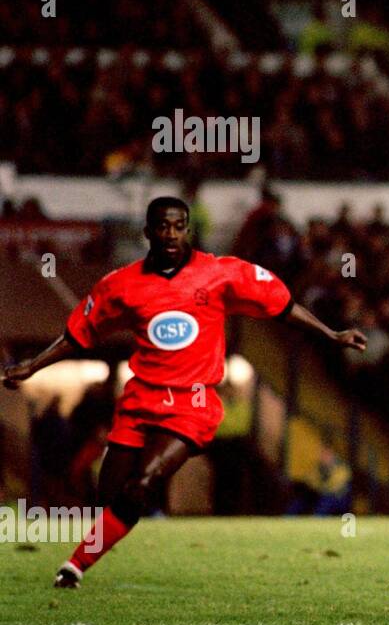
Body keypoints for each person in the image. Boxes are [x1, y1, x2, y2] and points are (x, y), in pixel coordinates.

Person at [1, 196, 366, 588]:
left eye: (178, 226)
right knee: (108, 495)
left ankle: (73, 567)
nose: (171, 234)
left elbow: (280, 305)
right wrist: (33, 365)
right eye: (162, 226)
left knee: (143, 484)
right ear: (148, 232)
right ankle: (121, 520)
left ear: (188, 229)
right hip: (141, 401)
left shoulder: (221, 273)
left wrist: (331, 334)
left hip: (192, 404)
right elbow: (79, 335)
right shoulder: (121, 285)